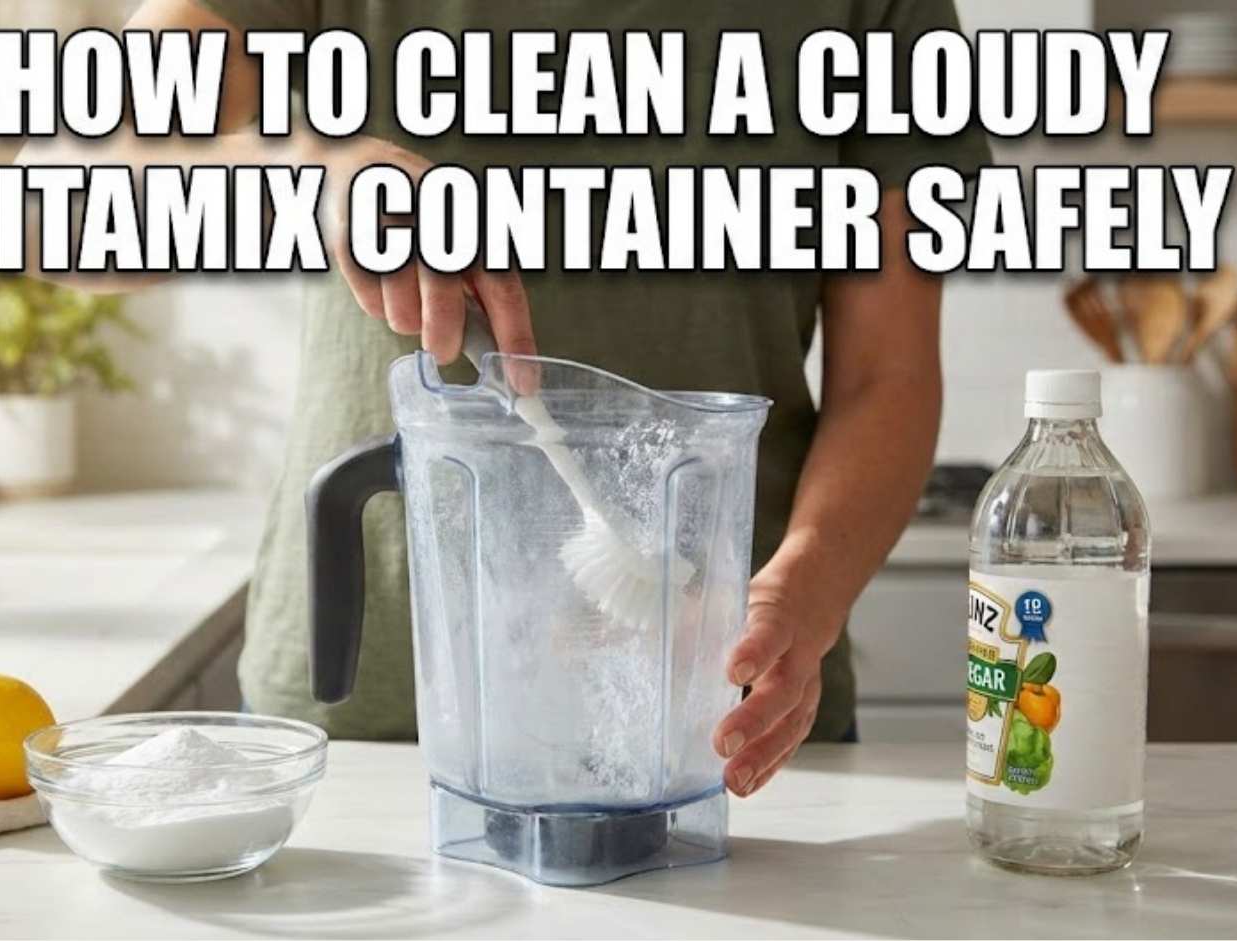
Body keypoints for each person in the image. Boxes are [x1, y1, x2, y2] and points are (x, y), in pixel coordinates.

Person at [95, 0, 989, 797]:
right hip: (366, 725)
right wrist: (308, 165)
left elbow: (887, 376)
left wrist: (804, 589)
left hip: (718, 722)